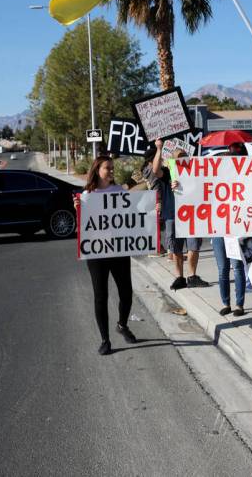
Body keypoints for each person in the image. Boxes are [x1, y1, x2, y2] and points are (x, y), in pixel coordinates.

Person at [73, 156, 138, 355]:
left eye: (112, 168)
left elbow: (134, 215)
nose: (111, 171)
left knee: (126, 292)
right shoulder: (87, 194)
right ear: (97, 170)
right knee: (101, 296)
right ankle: (105, 339)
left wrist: (155, 209)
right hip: (97, 252)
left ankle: (122, 325)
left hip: (118, 250)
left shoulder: (119, 191)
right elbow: (83, 226)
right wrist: (77, 209)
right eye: (107, 168)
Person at [141, 140, 207, 290]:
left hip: (192, 214)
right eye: (178, 158)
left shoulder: (194, 172)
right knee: (176, 248)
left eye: (183, 157)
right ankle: (179, 277)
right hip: (172, 214)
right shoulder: (167, 172)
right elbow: (156, 169)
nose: (181, 160)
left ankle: (192, 276)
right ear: (172, 160)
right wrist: (159, 148)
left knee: (193, 246)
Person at [213, 141, 247, 316]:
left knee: (237, 267)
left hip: (235, 229)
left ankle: (239, 305)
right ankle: (226, 303)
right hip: (218, 229)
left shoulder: (243, 182)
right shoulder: (213, 184)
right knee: (222, 269)